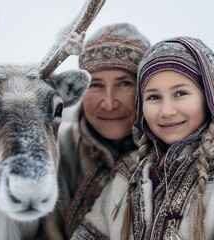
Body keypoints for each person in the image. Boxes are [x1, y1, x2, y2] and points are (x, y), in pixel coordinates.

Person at [72, 36, 214, 239]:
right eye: (154, 97)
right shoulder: (127, 173)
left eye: (180, 93)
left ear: (210, 97)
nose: (166, 111)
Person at [51, 23, 151, 238]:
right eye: (95, 85)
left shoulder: (173, 155)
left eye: (124, 83)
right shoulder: (58, 152)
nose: (109, 103)